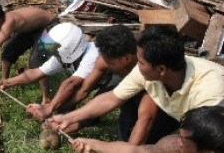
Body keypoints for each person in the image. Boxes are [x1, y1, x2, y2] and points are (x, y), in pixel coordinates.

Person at [48, 26, 224, 135]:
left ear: (161, 69)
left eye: (140, 62)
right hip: (179, 116)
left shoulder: (210, 93)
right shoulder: (149, 70)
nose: (136, 66)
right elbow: (111, 98)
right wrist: (68, 117)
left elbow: (196, 141)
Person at [29, 25, 178, 144]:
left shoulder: (149, 72)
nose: (105, 64)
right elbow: (86, 93)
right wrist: (59, 113)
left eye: (110, 62)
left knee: (144, 138)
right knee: (123, 130)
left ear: (127, 59)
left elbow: (146, 119)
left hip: (170, 106)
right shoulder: (107, 61)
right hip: (132, 90)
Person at [0, 22, 98, 105]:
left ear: (68, 50)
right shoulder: (65, 55)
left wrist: (50, 108)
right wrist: (5, 82)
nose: (53, 56)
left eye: (55, 50)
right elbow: (36, 73)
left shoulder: (91, 58)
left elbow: (72, 85)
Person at [70, 105, 224, 153]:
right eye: (180, 135)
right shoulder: (174, 147)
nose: (178, 141)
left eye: (183, 140)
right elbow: (134, 151)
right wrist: (93, 144)